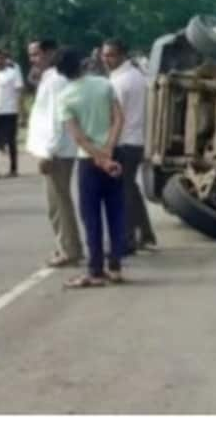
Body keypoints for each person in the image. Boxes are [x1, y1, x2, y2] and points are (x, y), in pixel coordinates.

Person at [55, 48, 127, 289]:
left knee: (91, 217)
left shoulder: (65, 97)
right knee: (116, 212)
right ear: (82, 63)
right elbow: (119, 118)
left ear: (61, 72)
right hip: (113, 155)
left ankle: (95, 271)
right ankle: (115, 267)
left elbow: (79, 138)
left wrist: (99, 156)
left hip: (89, 162)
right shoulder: (104, 84)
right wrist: (108, 150)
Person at [26, 39, 82, 268]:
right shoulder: (50, 78)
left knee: (59, 203)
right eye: (30, 55)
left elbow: (56, 120)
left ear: (50, 54)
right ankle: (69, 247)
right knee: (58, 203)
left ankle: (69, 250)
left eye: (37, 54)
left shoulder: (56, 81)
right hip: (57, 149)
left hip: (56, 151)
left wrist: (47, 153)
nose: (33, 59)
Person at [102, 39, 157, 254]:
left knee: (121, 192)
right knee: (130, 189)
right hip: (134, 141)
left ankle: (126, 240)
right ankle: (144, 234)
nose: (106, 59)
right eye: (105, 55)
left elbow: (114, 118)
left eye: (111, 55)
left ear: (122, 55)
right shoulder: (134, 76)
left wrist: (106, 146)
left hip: (124, 141)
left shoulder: (121, 82)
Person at [0, 49, 23, 179]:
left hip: (10, 111)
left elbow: (19, 93)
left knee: (11, 140)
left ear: (4, 60)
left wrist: (21, 113)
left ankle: (13, 169)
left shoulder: (13, 73)